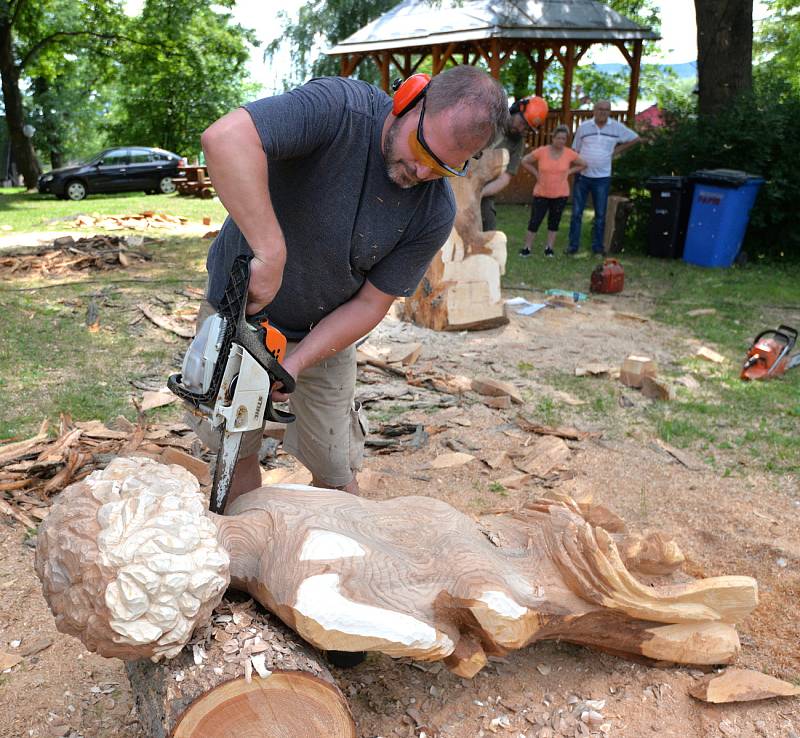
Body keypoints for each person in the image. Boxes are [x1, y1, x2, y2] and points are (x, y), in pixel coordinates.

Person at [197, 67, 508, 507]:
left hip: (325, 328)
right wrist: (270, 251)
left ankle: (338, 560)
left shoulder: (434, 211)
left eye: (441, 166)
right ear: (409, 99)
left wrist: (298, 362)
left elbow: (370, 303)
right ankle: (237, 550)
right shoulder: (338, 110)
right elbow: (225, 138)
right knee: (235, 448)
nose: (421, 170)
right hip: (237, 311)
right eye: (421, 148)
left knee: (336, 466)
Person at [567, 100, 640, 255]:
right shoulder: (584, 127)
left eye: (606, 110)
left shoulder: (616, 127)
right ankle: (573, 246)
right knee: (576, 213)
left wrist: (617, 151)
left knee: (600, 214)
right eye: (600, 109)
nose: (603, 112)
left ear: (610, 112)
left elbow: (635, 138)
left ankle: (598, 248)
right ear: (594, 110)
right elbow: (575, 150)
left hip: (602, 177)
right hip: (582, 176)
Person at [518, 125, 586, 257]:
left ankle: (549, 248)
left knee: (554, 222)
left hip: (560, 194)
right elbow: (525, 161)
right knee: (535, 221)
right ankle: (527, 248)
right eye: (558, 138)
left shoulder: (569, 153)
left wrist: (569, 171)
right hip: (541, 192)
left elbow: (584, 164)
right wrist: (536, 173)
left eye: (564, 139)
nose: (561, 141)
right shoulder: (542, 151)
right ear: (553, 138)